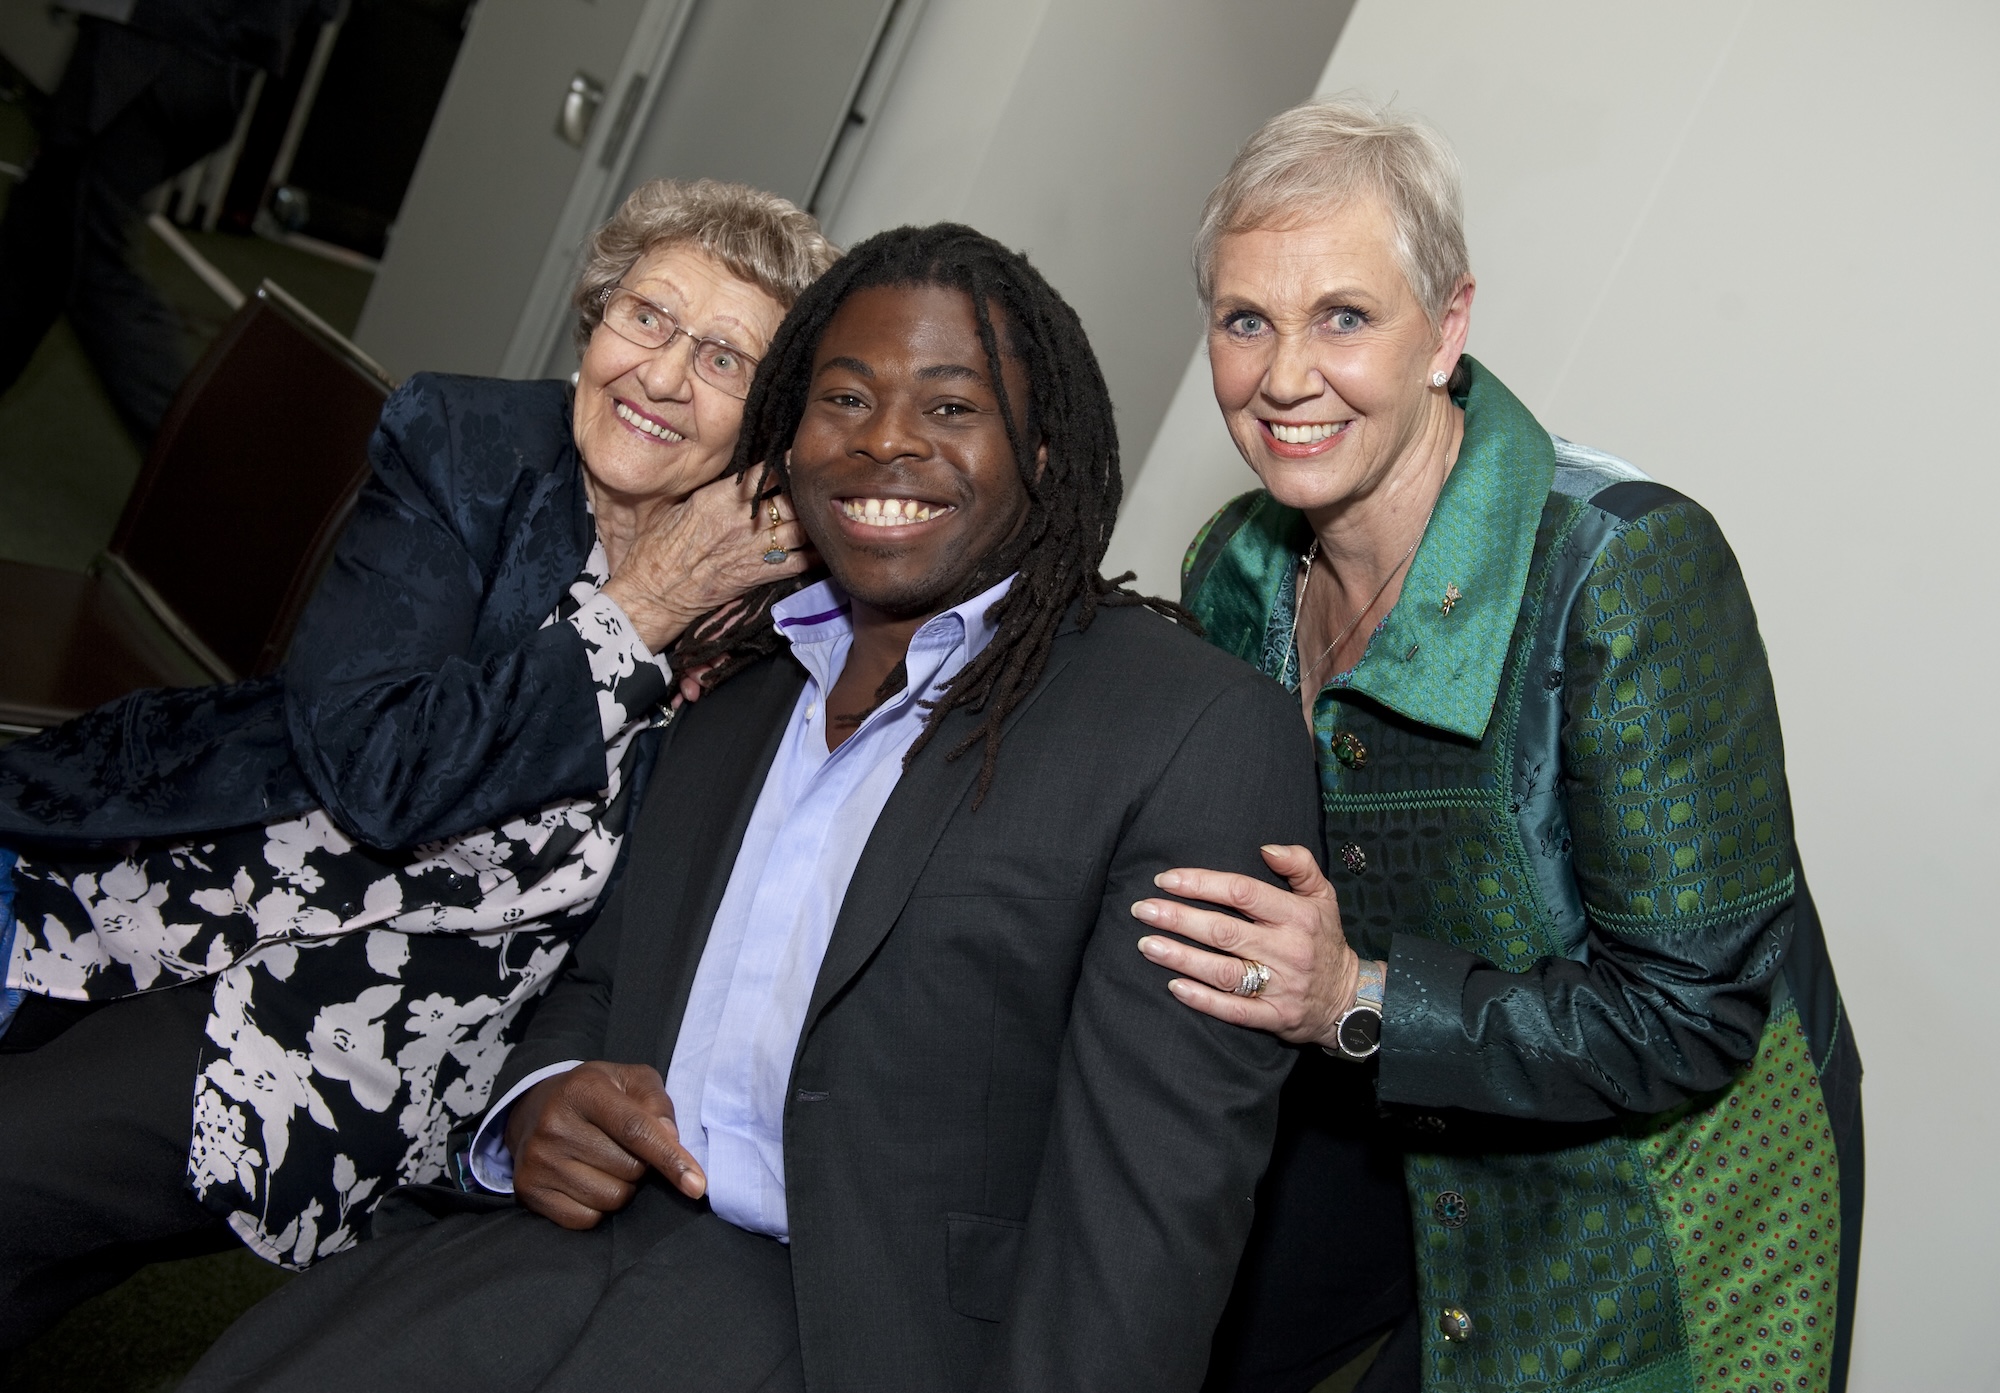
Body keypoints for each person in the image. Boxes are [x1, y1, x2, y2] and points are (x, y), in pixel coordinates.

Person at [181, 221, 1391, 1393]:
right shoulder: (735, 668)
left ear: (1043, 450)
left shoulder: (1187, 731)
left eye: (953, 406)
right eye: (844, 399)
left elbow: (1145, 1218)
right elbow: (602, 974)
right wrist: (541, 1097)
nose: (883, 445)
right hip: (563, 1247)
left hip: (856, 1328)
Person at [0, 178, 835, 1347]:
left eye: (724, 360)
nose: (659, 375)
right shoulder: (469, 441)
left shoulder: (778, 613)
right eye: (646, 316)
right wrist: (641, 609)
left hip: (371, 1024)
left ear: (769, 427)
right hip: (209, 866)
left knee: (22, 1167)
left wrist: (677, 607)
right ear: (593, 317)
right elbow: (376, 762)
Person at [1128, 98, 1863, 1393]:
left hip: (1648, 1229)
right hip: (1385, 1154)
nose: (1285, 375)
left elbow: (1689, 1017)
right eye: (1247, 320)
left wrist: (1350, 996)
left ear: (1446, 329)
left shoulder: (1622, 570)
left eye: (1344, 317)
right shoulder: (1234, 573)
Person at [0, 0, 338, 441]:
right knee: (40, 232)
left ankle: (196, 470)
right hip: (215, 68)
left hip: (151, 50)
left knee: (92, 262)